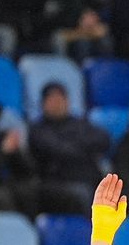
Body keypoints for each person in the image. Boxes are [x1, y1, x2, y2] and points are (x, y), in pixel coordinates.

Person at [29, 82, 111, 214]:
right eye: (52, 99)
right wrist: (84, 148)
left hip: (90, 178)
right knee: (83, 195)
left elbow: (104, 139)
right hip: (57, 182)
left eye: (61, 99)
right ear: (43, 104)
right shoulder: (38, 129)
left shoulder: (79, 123)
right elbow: (57, 150)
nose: (57, 103)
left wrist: (75, 145)